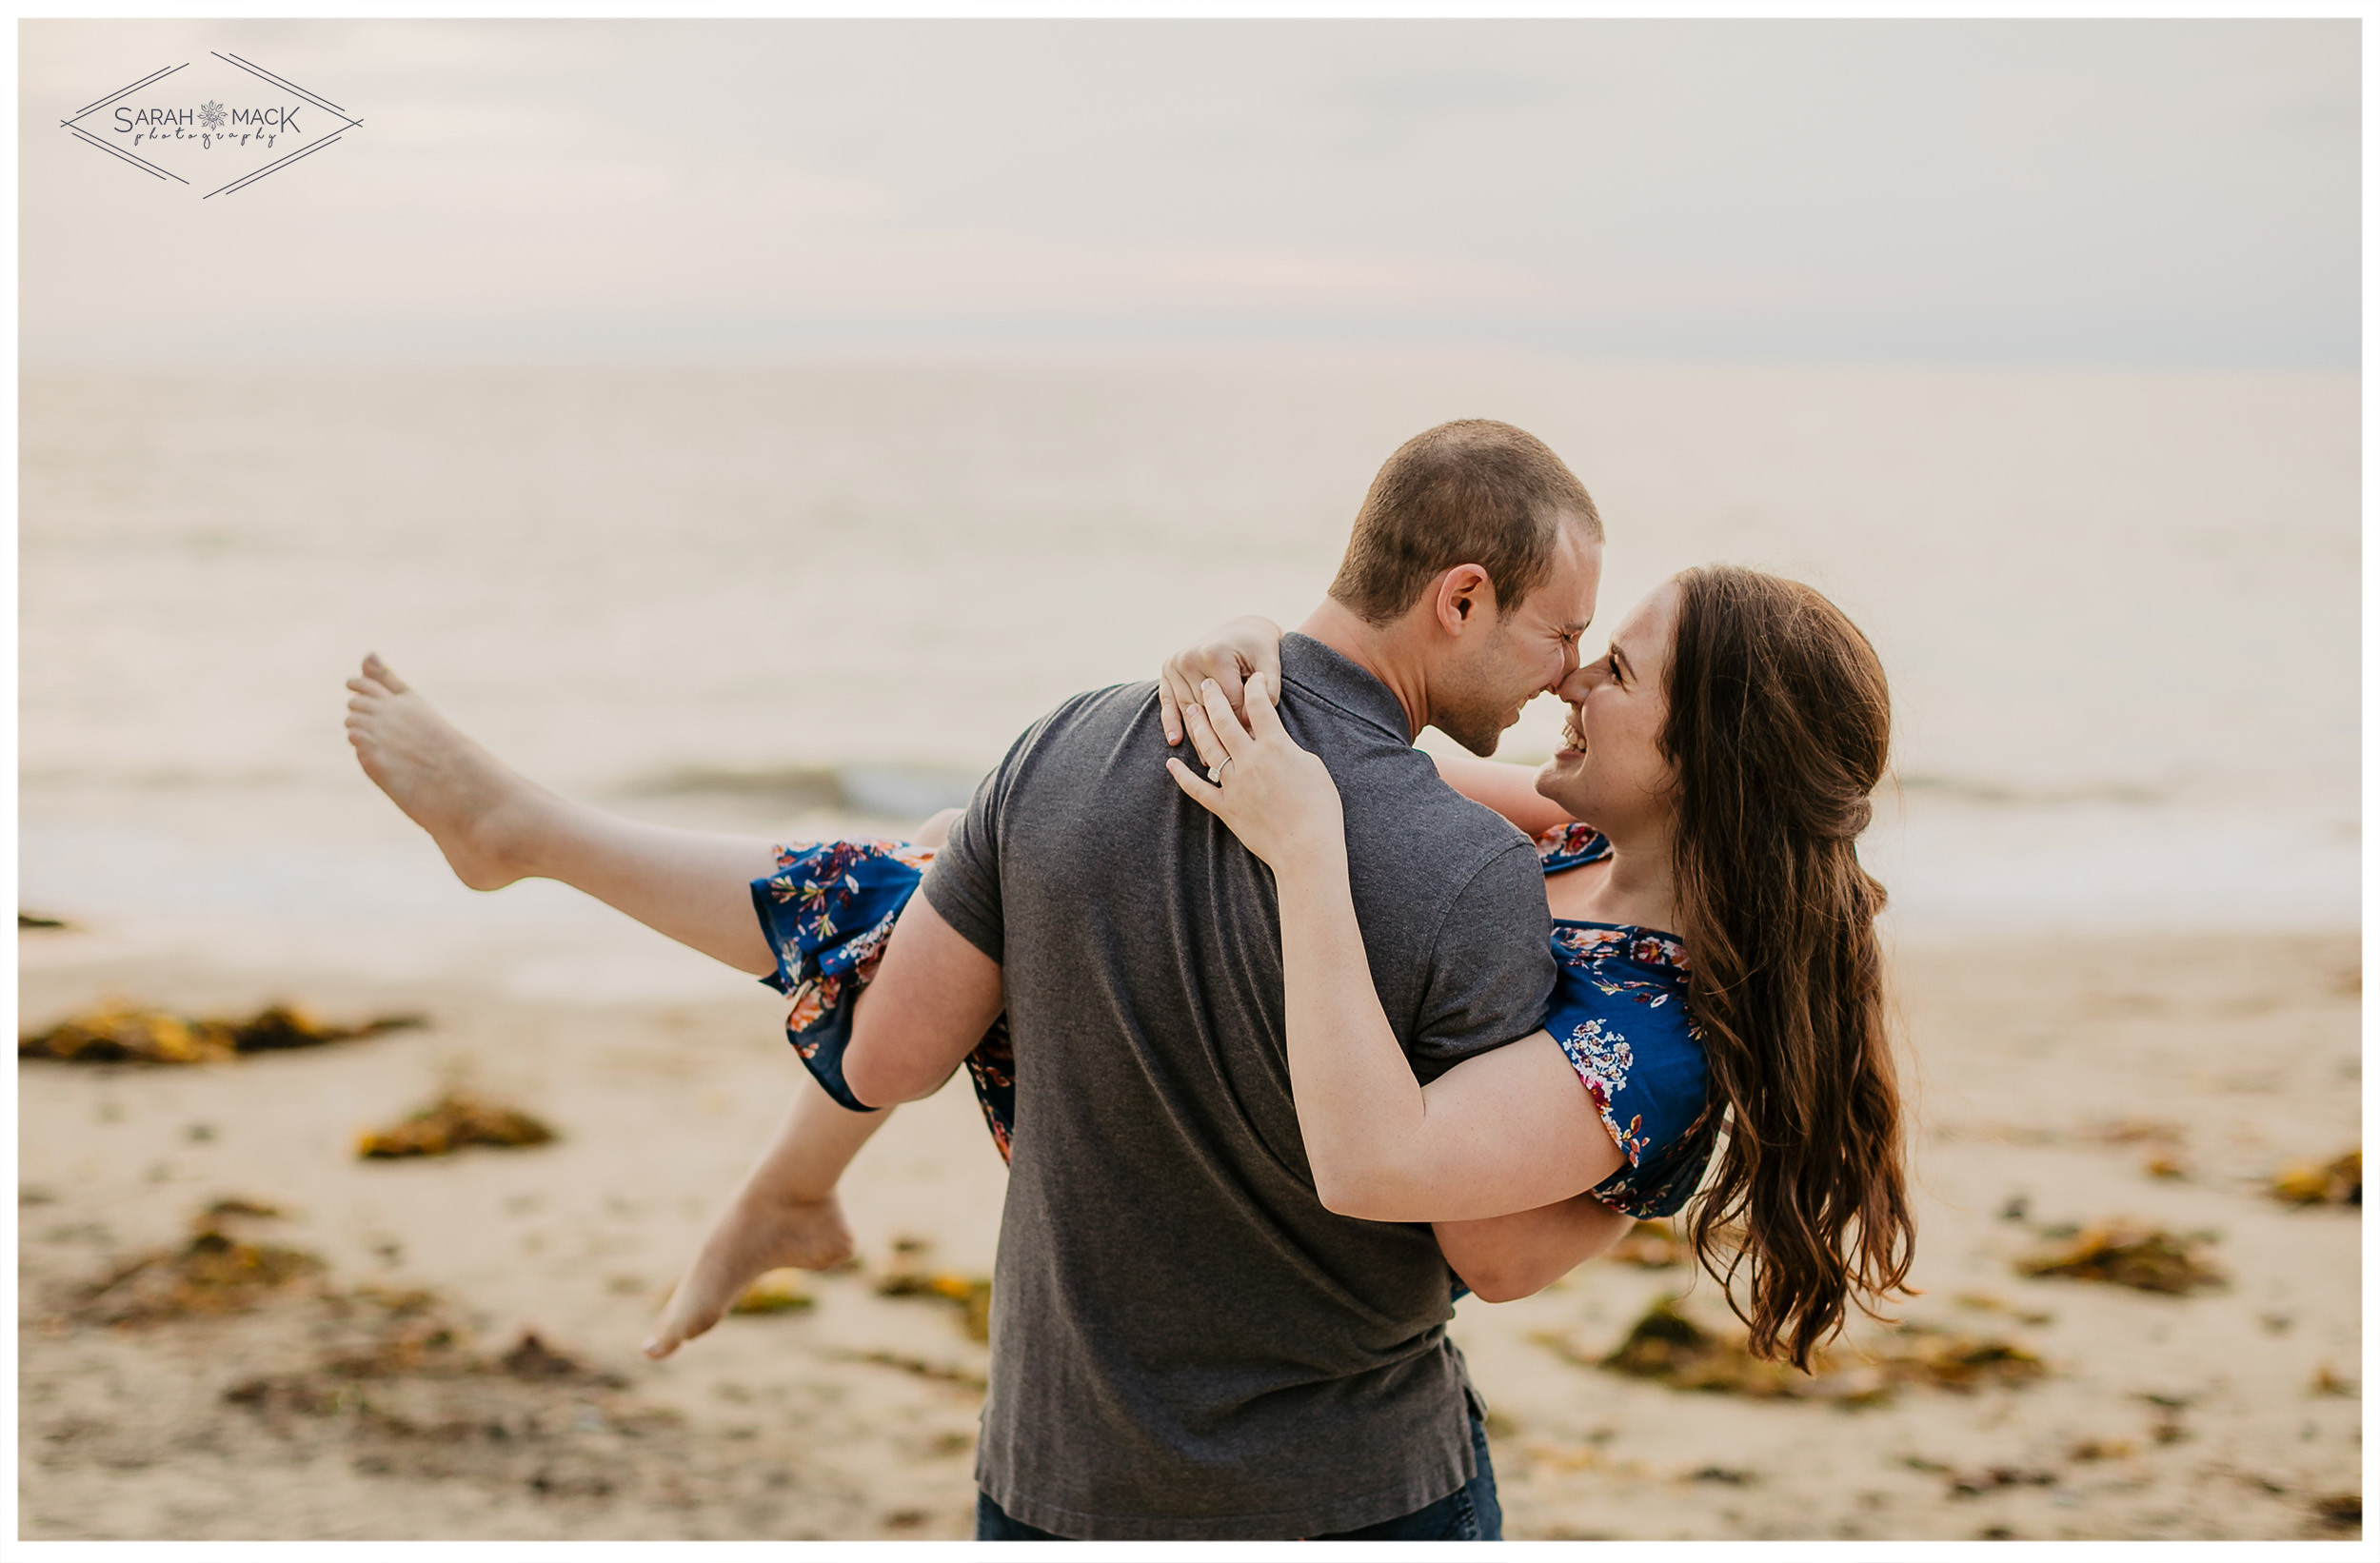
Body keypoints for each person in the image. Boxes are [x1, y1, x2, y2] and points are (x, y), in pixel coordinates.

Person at [346, 418, 1615, 1539]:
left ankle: (543, 842)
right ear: (1460, 597)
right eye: (1561, 630)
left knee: (911, 872)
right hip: (1349, 1496)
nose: (1568, 667)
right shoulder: (1471, 876)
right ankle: (541, 845)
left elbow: (886, 1052)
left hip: (1055, 1479)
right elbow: (1492, 1252)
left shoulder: (1065, 744)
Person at [1168, 565, 1915, 1372]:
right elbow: (1355, 760)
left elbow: (1381, 1172)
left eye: (1618, 671)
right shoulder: (1583, 836)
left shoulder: (1656, 1039)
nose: (1570, 678)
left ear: (1707, 761)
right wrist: (1259, 646)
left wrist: (1306, 855)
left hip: (1317, 1347)